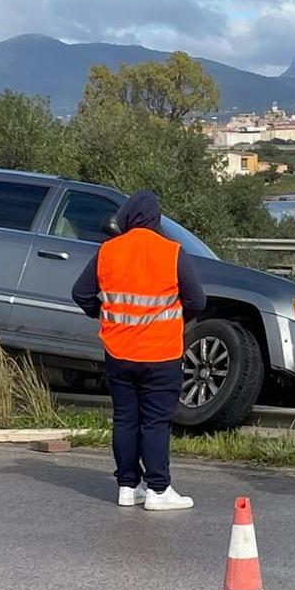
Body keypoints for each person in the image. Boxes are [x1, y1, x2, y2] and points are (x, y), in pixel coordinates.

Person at [72, 190, 206, 511]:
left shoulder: (108, 251)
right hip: (161, 352)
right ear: (156, 220)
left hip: (119, 351)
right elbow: (197, 301)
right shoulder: (172, 252)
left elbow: (81, 293)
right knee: (155, 421)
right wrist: (176, 318)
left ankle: (127, 486)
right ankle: (158, 489)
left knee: (125, 419)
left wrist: (103, 312)